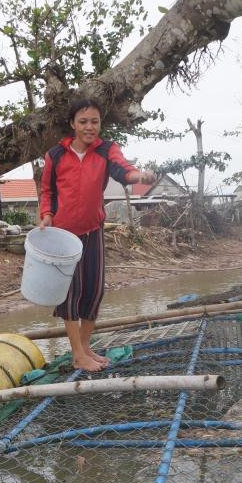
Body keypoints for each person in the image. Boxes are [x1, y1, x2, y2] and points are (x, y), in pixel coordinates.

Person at [39, 98, 156, 371]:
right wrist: (46, 214)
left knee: (93, 291)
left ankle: (85, 348)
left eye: (95, 121)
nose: (89, 127)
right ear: (72, 124)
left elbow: (121, 169)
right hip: (62, 236)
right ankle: (78, 355)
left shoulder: (106, 150)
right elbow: (48, 192)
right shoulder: (55, 155)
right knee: (70, 295)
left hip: (93, 230)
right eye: (83, 122)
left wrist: (138, 176)